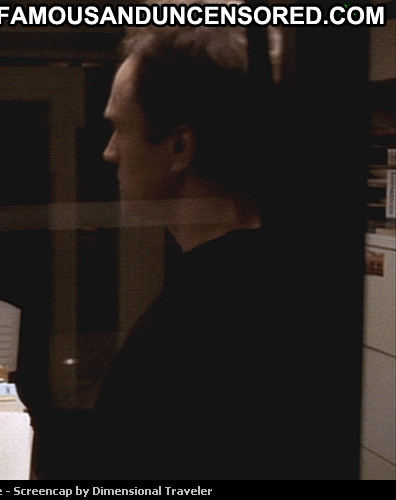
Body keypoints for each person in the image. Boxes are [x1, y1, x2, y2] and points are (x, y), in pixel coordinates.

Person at [87, 0, 351, 479]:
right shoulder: (291, 280)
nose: (110, 152)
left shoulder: (193, 331)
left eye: (119, 128)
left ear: (180, 147)